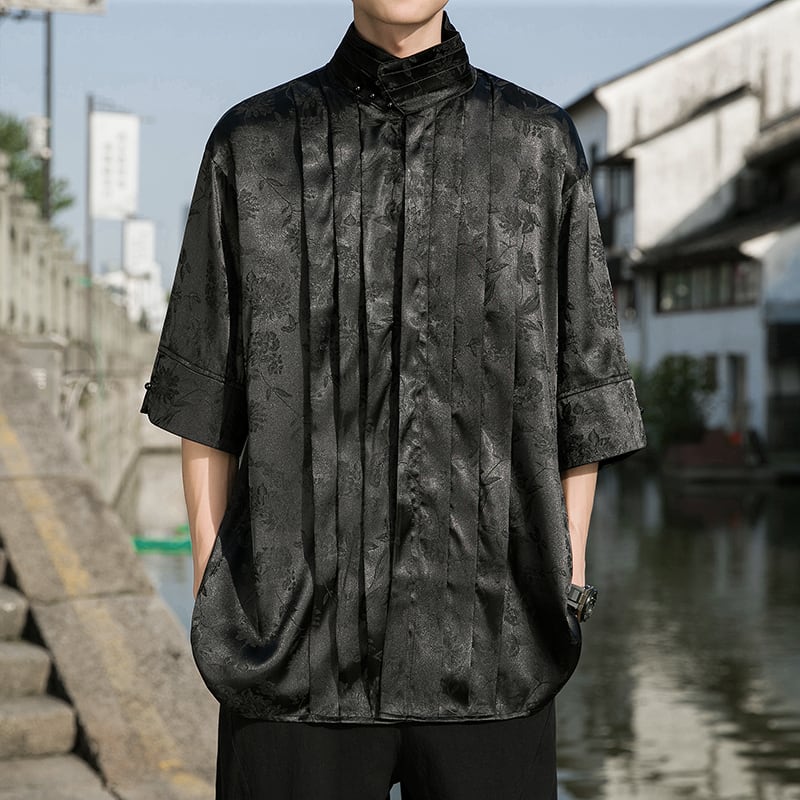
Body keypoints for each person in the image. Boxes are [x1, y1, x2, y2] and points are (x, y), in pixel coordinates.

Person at [140, 2, 647, 798]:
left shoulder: (537, 144)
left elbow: (583, 385)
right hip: (291, 656)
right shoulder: (254, 143)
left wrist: (568, 578)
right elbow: (204, 391)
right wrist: (221, 586)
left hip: (497, 649)